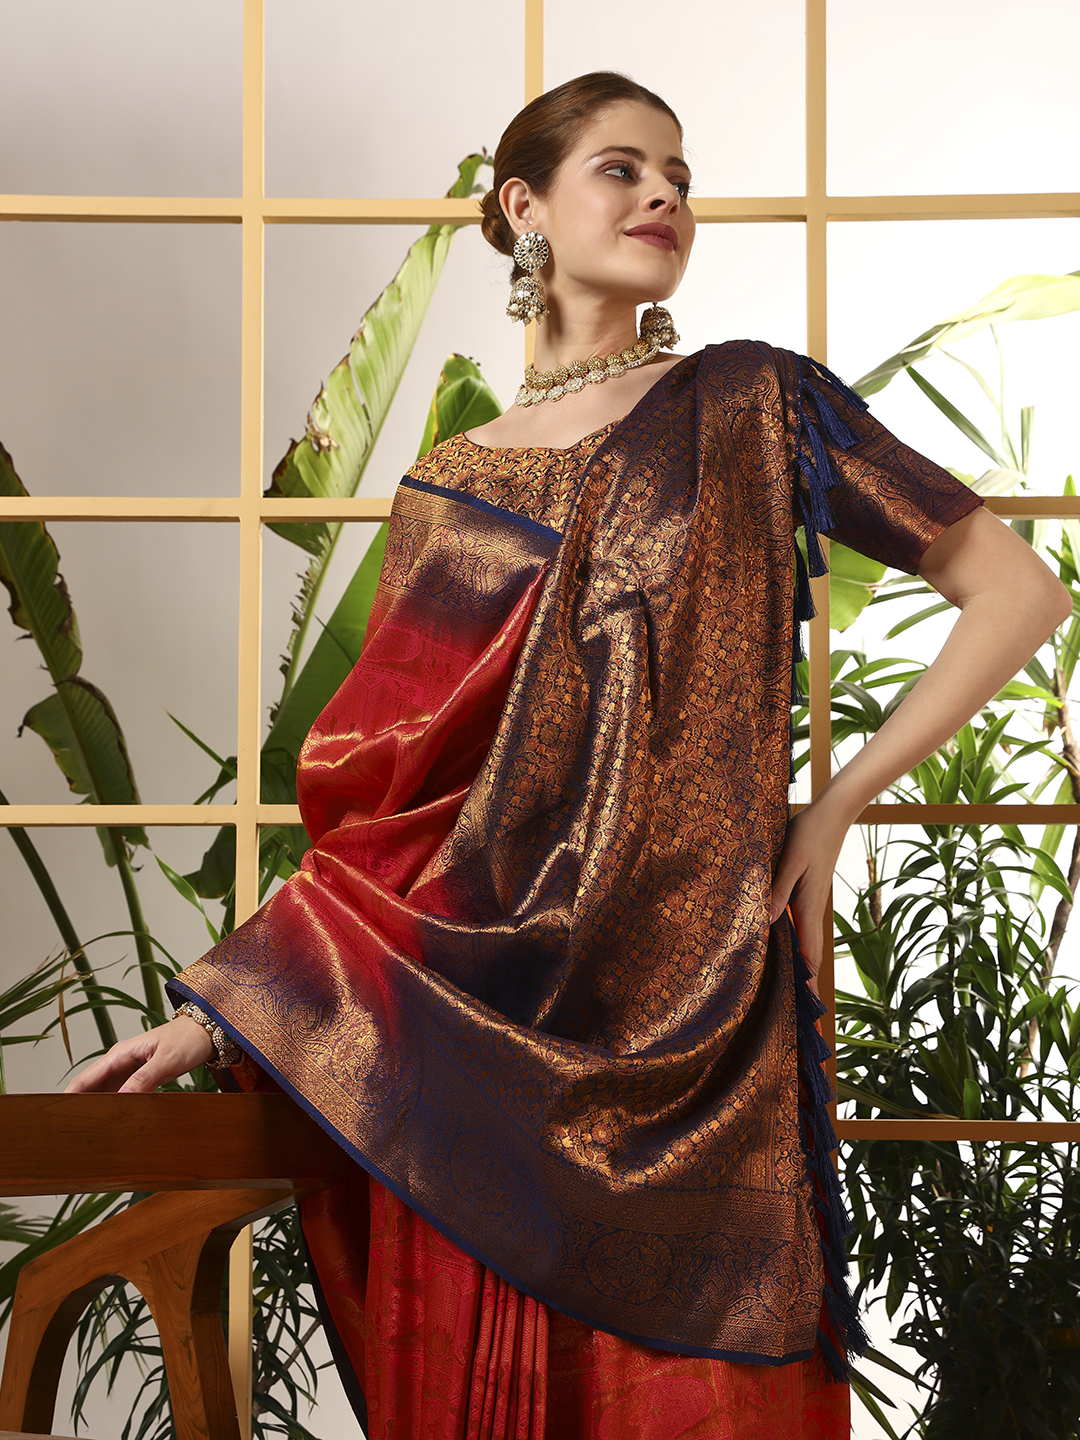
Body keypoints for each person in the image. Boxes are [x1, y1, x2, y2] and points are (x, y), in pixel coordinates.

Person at [68, 72, 1070, 1439]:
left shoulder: (754, 403)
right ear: (523, 206)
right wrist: (222, 1010)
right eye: (623, 168)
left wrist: (832, 808)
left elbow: (1015, 591)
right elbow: (394, 816)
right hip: (484, 1045)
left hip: (701, 1029)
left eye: (680, 177)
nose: (665, 196)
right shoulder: (455, 488)